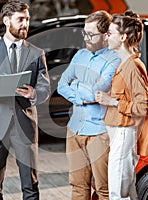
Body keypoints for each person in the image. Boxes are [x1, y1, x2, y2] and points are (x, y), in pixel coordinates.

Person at [0, 1, 50, 200]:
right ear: (6, 20)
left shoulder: (36, 53)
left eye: (27, 19)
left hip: (25, 124)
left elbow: (45, 88)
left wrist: (34, 93)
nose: (25, 24)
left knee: (31, 187)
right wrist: (1, 88)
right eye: (20, 20)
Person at [57, 10, 121, 200]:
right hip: (75, 129)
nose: (86, 38)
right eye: (85, 33)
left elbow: (97, 91)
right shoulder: (80, 55)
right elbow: (61, 85)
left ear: (105, 35)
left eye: (91, 34)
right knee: (78, 186)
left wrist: (76, 86)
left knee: (104, 188)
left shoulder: (115, 59)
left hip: (99, 132)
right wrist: (82, 95)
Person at [95, 10, 148, 200]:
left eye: (110, 33)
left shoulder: (132, 66)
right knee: (125, 190)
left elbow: (144, 104)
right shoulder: (124, 63)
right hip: (118, 131)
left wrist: (111, 101)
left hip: (125, 131)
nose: (107, 36)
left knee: (117, 192)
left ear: (123, 37)